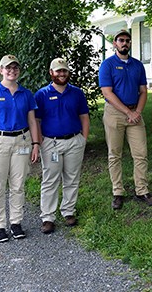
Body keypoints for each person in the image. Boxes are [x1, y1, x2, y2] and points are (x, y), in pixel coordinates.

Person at [0, 54, 40, 242]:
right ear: (1, 70)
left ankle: (16, 223)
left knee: (18, 185)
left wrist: (35, 144)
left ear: (18, 70)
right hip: (0, 141)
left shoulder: (26, 94)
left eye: (15, 67)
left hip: (22, 141)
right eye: (8, 68)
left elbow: (32, 121)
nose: (11, 71)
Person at [98, 29, 152, 209]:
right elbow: (107, 92)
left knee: (141, 153)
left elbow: (143, 91)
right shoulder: (107, 65)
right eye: (121, 40)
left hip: (135, 113)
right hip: (114, 113)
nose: (125, 43)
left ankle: (142, 190)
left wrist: (137, 111)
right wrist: (127, 112)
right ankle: (118, 192)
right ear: (115, 43)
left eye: (127, 41)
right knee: (114, 154)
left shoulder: (137, 65)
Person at [35, 58, 90, 234]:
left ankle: (68, 211)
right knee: (50, 179)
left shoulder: (77, 93)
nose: (61, 74)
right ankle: (48, 217)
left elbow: (84, 117)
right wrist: (39, 141)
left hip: (74, 141)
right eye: (58, 71)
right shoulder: (42, 94)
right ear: (51, 73)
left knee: (72, 177)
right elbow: (36, 120)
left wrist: (84, 139)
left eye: (64, 71)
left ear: (68, 72)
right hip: (51, 143)